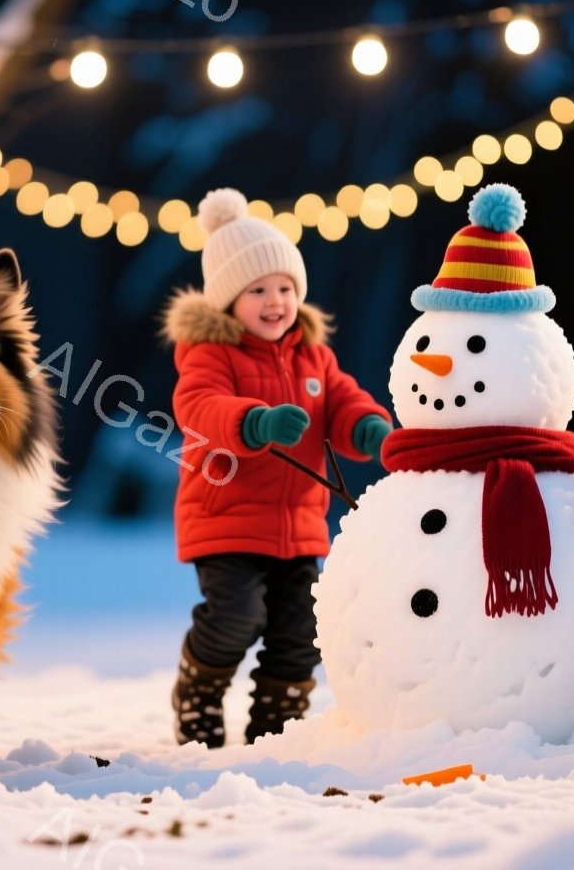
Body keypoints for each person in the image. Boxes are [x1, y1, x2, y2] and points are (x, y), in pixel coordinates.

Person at [161, 187, 392, 748]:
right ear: (226, 300)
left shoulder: (314, 355)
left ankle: (276, 725)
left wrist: (366, 426)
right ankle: (197, 694)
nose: (275, 301)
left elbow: (341, 400)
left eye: (286, 288)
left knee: (301, 631)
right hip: (227, 519)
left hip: (299, 526)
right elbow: (199, 408)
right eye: (258, 289)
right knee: (236, 616)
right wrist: (255, 423)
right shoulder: (210, 354)